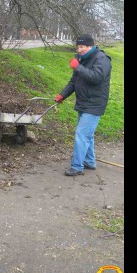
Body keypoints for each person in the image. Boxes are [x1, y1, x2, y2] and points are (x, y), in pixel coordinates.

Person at [54, 34, 112, 176]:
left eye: (82, 47)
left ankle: (77, 166)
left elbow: (96, 78)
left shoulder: (102, 59)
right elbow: (74, 81)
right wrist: (62, 95)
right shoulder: (82, 59)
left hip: (95, 103)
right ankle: (90, 161)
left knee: (81, 134)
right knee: (87, 135)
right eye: (78, 47)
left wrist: (78, 67)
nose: (79, 49)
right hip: (84, 102)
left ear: (90, 46)